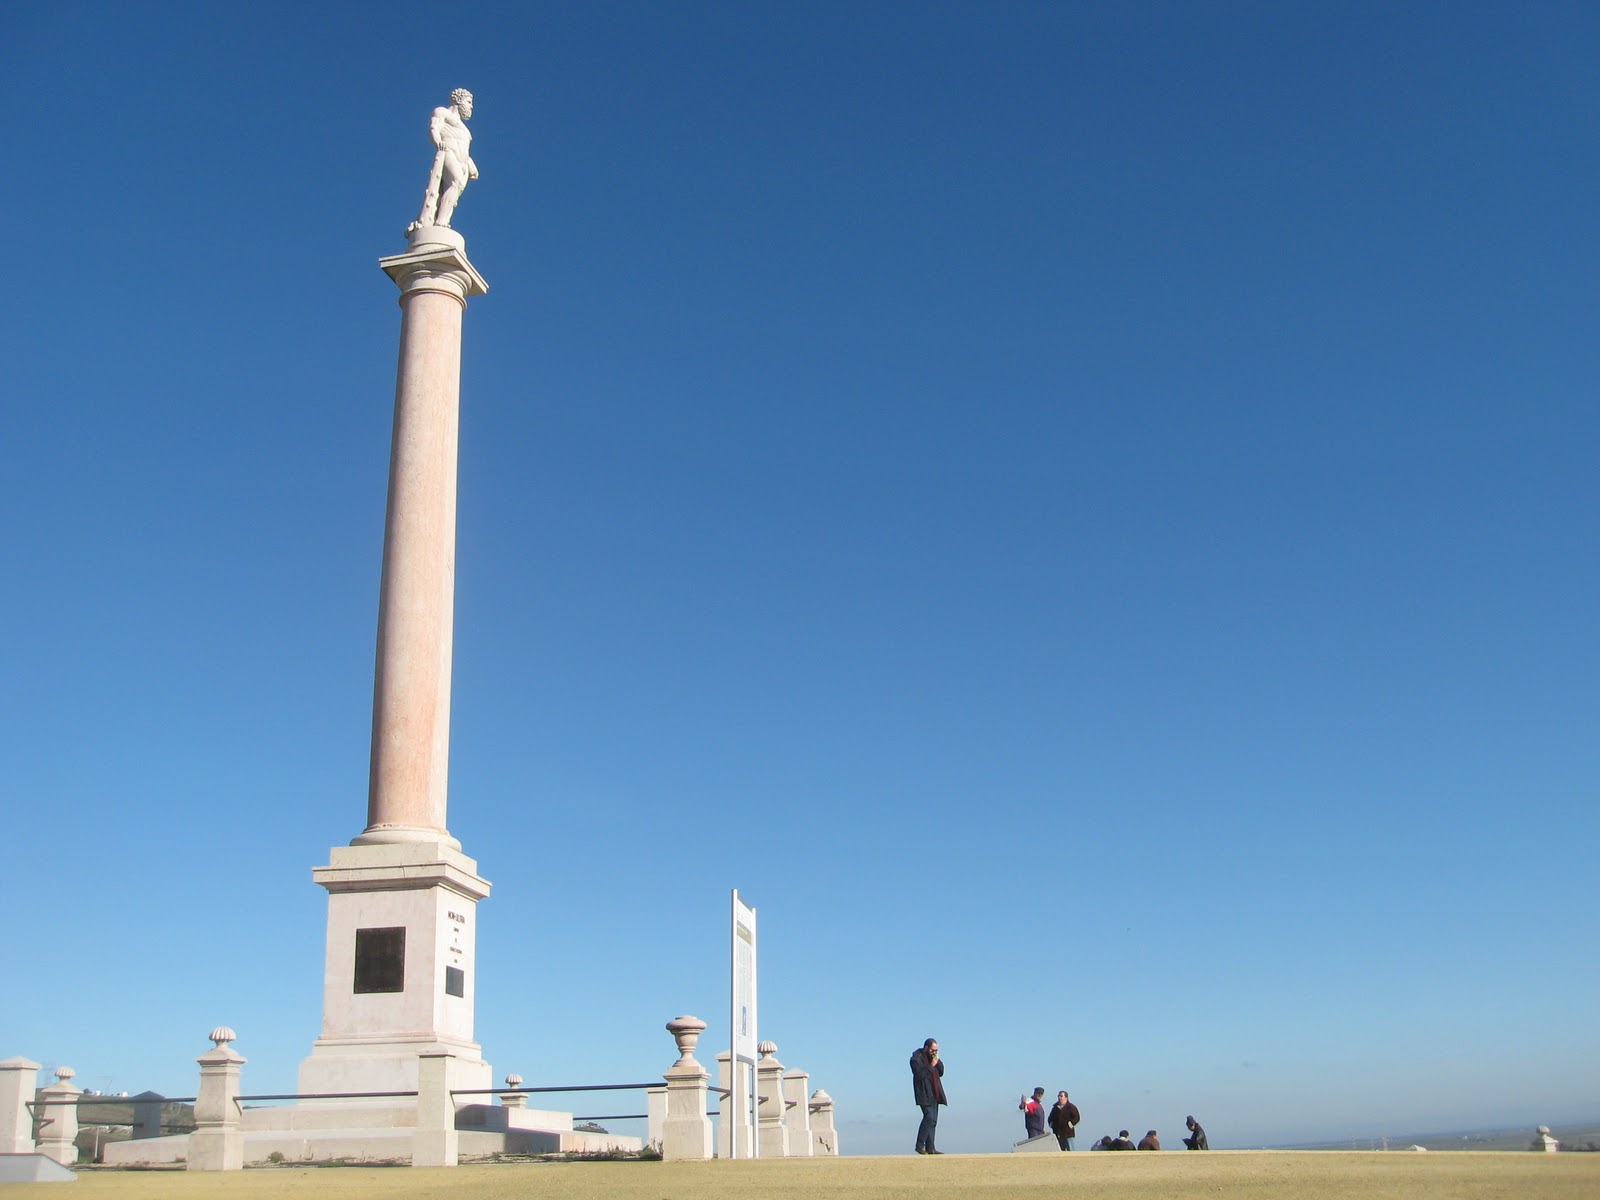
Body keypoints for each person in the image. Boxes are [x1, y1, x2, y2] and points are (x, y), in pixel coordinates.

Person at [411, 89, 479, 232]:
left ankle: (443, 220)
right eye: (469, 102)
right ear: (459, 100)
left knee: (454, 191)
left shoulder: (465, 129)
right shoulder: (442, 112)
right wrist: (438, 142)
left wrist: (470, 164)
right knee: (456, 182)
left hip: (463, 163)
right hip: (448, 151)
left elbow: (465, 148)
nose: (471, 107)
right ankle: (440, 222)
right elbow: (434, 128)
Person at [910, 1038, 946, 1154]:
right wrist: (931, 1065)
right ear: (926, 1048)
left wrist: (938, 1062)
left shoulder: (934, 1059)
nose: (934, 1053)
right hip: (924, 1093)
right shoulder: (916, 1058)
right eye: (932, 1050)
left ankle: (931, 1148)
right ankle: (920, 1145)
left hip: (935, 1093)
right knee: (929, 1117)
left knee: (933, 1121)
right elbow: (919, 1074)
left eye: (936, 1050)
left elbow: (941, 1072)